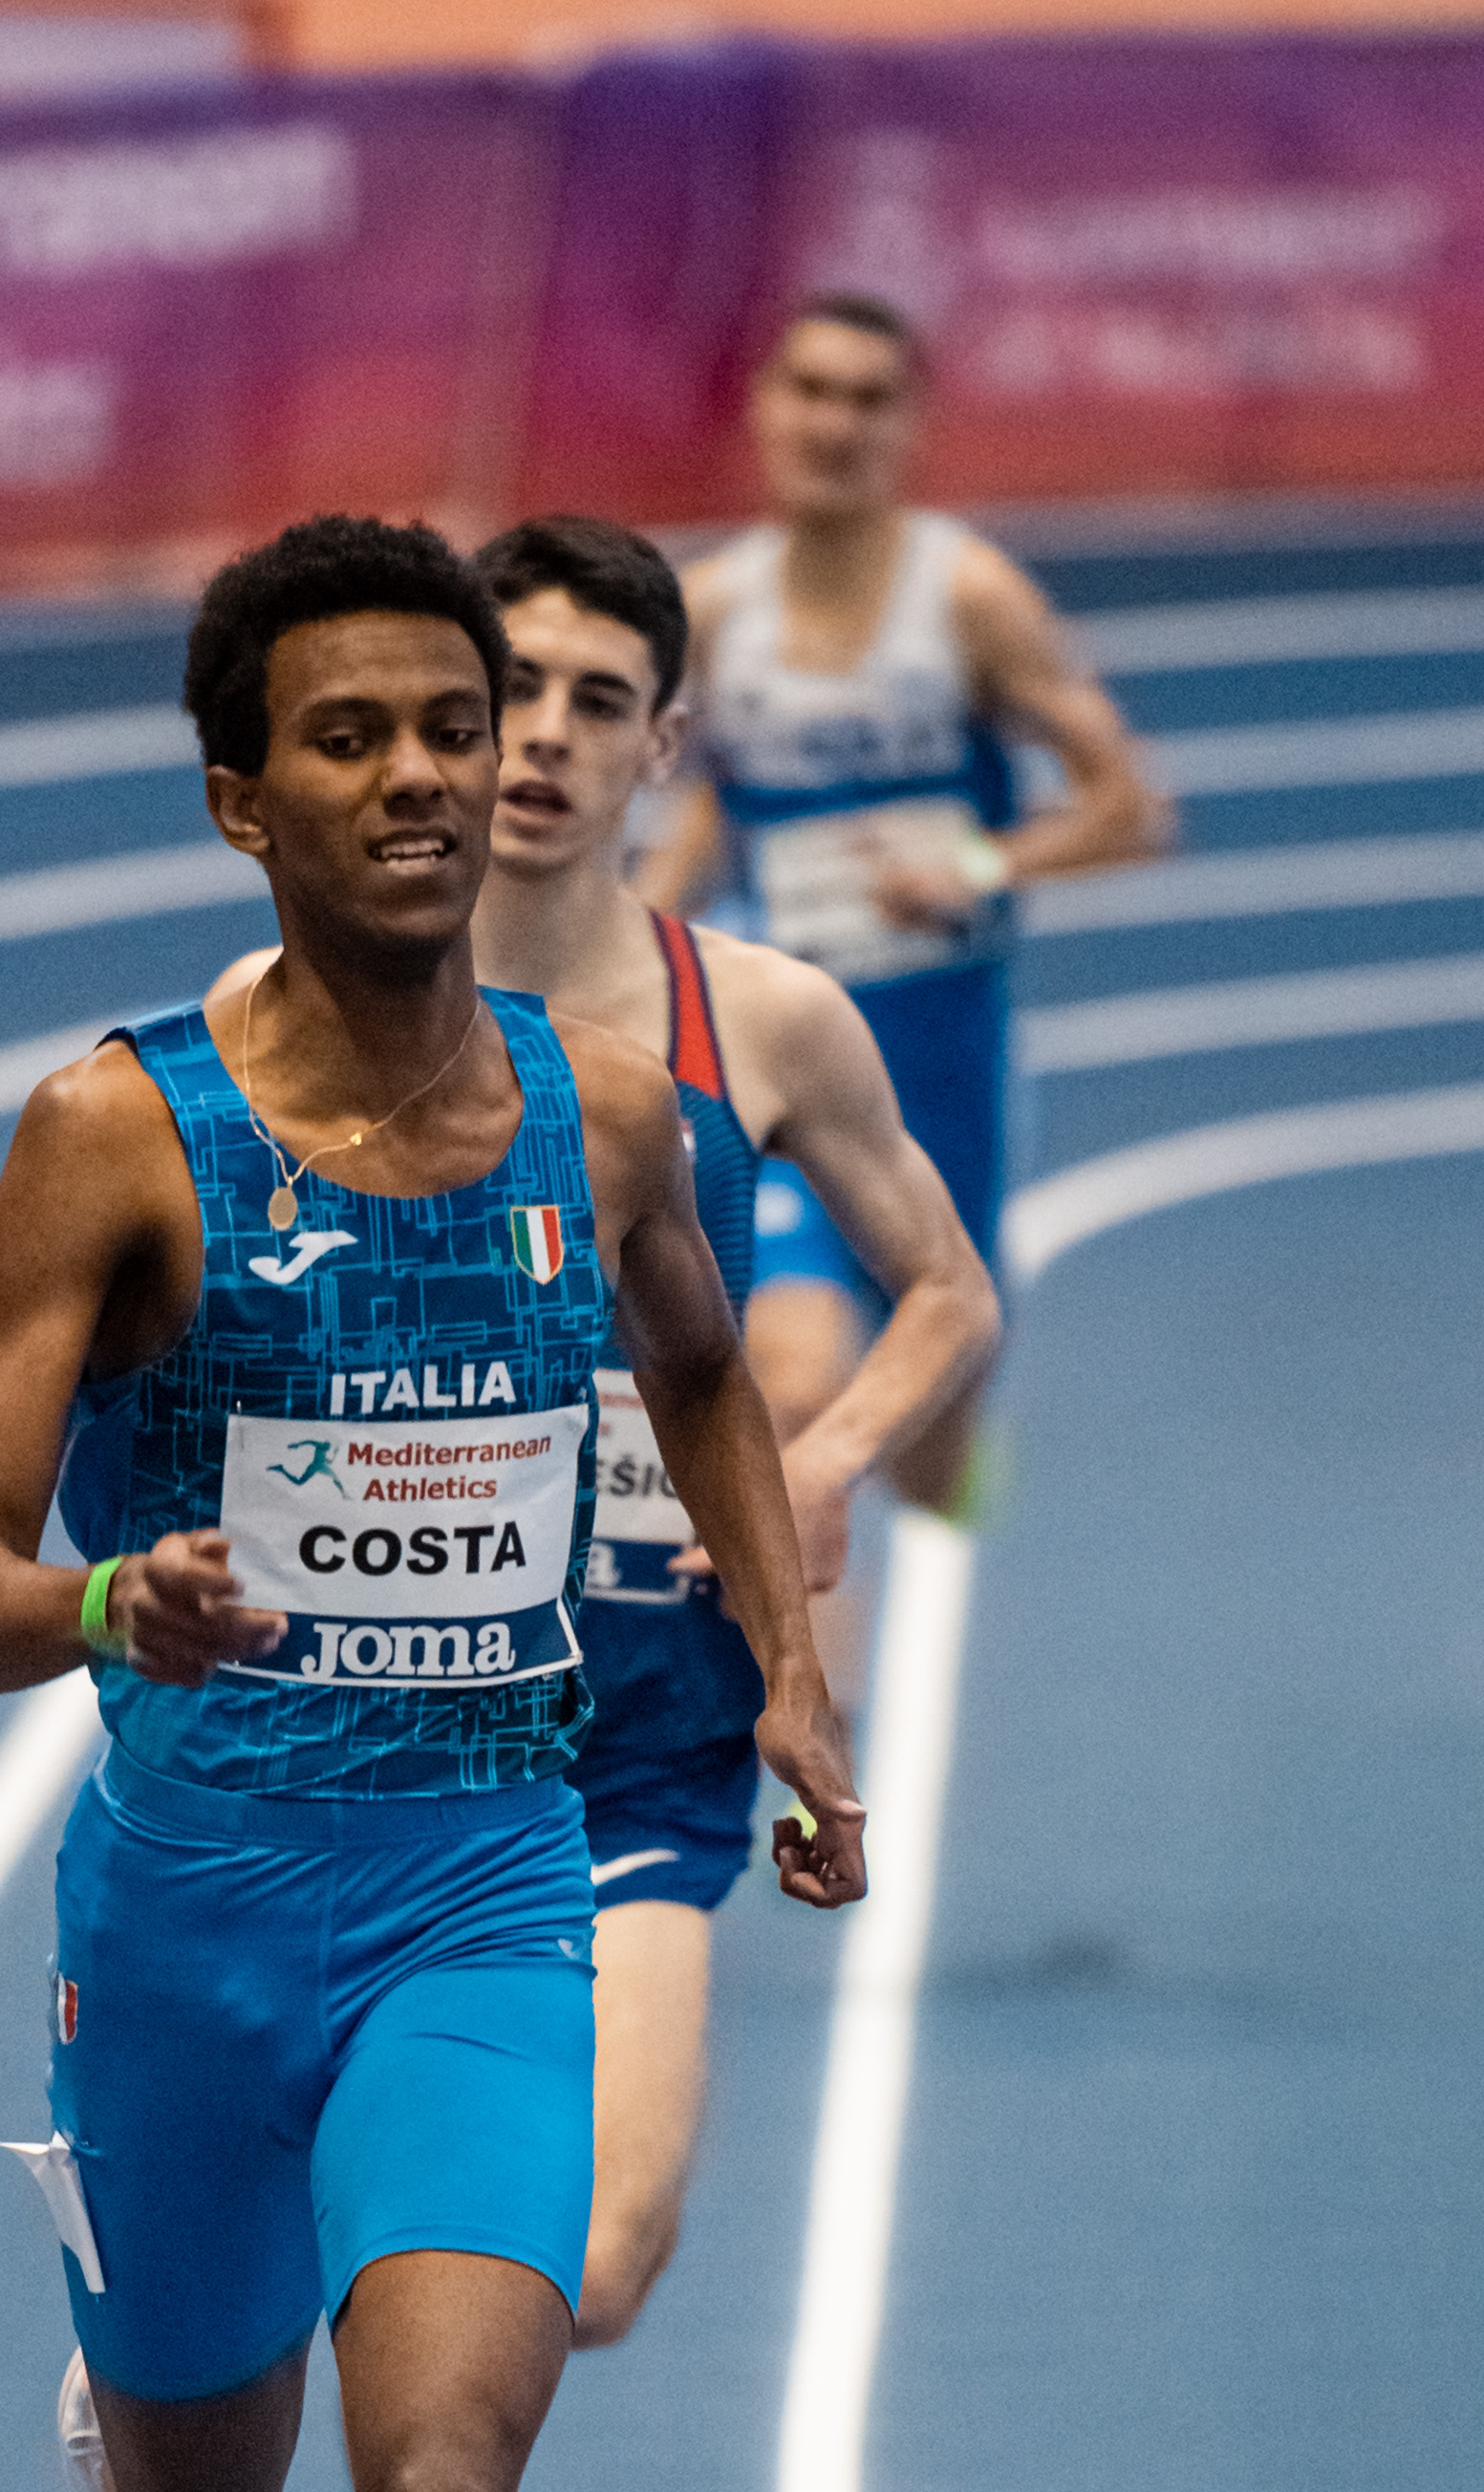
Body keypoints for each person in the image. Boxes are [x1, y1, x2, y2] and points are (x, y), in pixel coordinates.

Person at [0, 514, 862, 2492]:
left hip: (482, 1896)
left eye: (455, 724)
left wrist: (788, 1673)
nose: (432, 774)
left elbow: (696, 1369)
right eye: (353, 736)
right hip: (190, 1938)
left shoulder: (608, 1111)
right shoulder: (116, 1135)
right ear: (242, 798)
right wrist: (121, 1604)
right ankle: (130, 2371)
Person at [471, 510, 999, 2343]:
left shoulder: (762, 1021)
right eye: (511, 688)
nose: (546, 733)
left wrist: (826, 1458)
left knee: (605, 2261)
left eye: (596, 700)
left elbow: (949, 1291)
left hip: (642, 1727)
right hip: (386, 1713)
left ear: (664, 744)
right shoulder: (312, 1019)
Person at [640, 289, 1171, 1512]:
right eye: (811, 391)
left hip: (942, 1061)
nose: (834, 424)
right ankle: (792, 1631)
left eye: (869, 400)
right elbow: (716, 802)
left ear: (912, 424)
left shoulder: (970, 599)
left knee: (934, 1453)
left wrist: (977, 870)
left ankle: (933, 1487)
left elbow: (1131, 809)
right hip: (784, 1046)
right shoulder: (714, 612)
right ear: (764, 408)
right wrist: (628, 944)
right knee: (791, 1378)